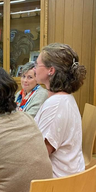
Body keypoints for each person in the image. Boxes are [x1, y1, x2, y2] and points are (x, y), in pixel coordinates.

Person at [34, 43, 86, 177]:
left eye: (36, 64)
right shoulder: (64, 98)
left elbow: (40, 155)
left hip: (57, 184)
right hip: (68, 177)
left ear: (50, 70)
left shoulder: (56, 104)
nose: (34, 68)